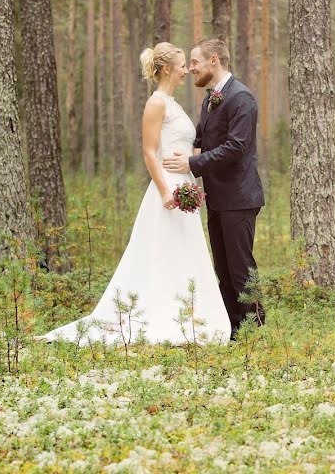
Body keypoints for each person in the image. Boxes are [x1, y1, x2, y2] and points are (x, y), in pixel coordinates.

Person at [35, 42, 231, 345]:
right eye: (182, 65)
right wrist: (166, 190)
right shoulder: (156, 103)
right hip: (167, 189)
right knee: (161, 251)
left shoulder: (174, 103)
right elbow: (150, 152)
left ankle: (185, 312)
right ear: (167, 69)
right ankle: (156, 313)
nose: (186, 71)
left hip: (185, 186)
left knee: (183, 251)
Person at [163, 39, 265, 340]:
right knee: (223, 266)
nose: (191, 68)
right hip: (218, 197)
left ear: (214, 61)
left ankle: (255, 326)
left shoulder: (242, 98)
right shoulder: (212, 99)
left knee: (240, 266)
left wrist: (192, 165)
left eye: (194, 61)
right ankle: (233, 327)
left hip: (240, 197)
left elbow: (236, 147)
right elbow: (204, 139)